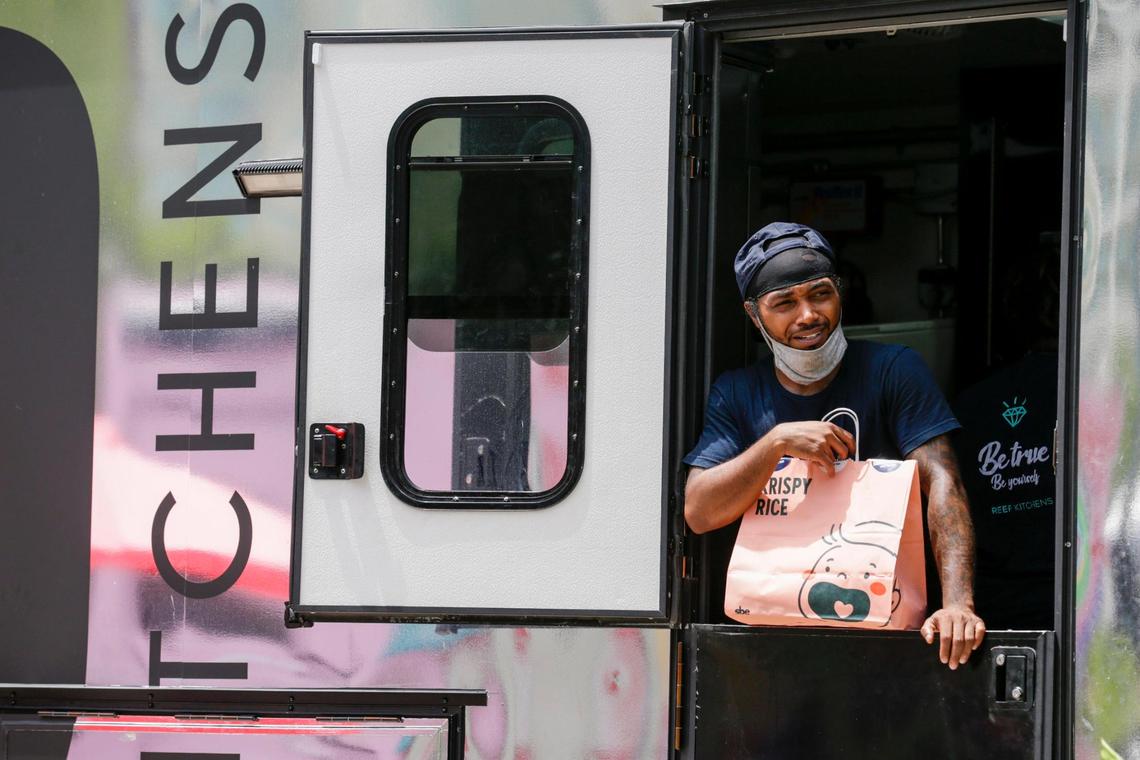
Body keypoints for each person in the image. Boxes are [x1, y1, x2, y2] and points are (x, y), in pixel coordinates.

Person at [683, 222, 985, 670]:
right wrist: (777, 443)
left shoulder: (894, 370)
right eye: (784, 303)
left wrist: (958, 603)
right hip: (772, 648)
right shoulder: (736, 393)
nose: (807, 315)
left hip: (885, 641)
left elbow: (942, 480)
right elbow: (699, 511)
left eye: (820, 294)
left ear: (839, 292)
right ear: (754, 314)